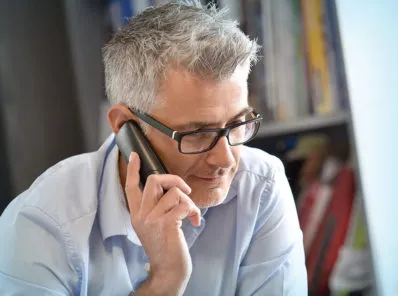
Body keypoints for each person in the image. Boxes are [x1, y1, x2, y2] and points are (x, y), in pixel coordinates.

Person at [0, 1, 307, 295]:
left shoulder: (261, 185)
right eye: (198, 133)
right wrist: (164, 282)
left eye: (239, 123)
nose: (226, 159)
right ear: (125, 126)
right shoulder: (42, 223)